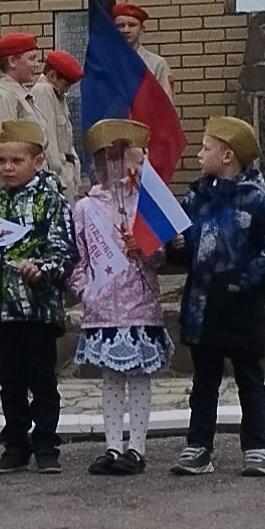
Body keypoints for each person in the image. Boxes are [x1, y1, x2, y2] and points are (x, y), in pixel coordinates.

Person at [172, 115, 265, 476]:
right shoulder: (195, 197)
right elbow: (189, 249)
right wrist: (177, 245)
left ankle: (255, 447)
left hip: (240, 308)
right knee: (203, 381)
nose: (198, 155)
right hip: (202, 306)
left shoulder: (257, 202)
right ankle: (199, 446)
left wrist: (245, 283)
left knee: (249, 378)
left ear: (227, 156)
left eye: (205, 148)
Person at [70, 119, 169, 475]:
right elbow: (78, 258)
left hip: (139, 303)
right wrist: (84, 290)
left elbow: (160, 258)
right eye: (106, 158)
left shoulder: (145, 203)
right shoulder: (85, 208)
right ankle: (112, 445)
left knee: (139, 377)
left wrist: (142, 246)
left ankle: (137, 447)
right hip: (102, 305)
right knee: (110, 379)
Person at [0, 121, 74, 472]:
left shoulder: (52, 202)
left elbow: (64, 253)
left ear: (38, 161)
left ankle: (46, 444)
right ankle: (16, 443)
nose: (7, 167)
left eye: (16, 160)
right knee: (10, 380)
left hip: (38, 309)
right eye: (2, 160)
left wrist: (42, 270)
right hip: (3, 311)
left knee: (41, 379)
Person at [0, 33, 76, 192]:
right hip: (11, 192)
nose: (36, 65)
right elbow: (4, 152)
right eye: (31, 59)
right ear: (12, 61)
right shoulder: (1, 97)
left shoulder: (19, 94)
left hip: (28, 187)